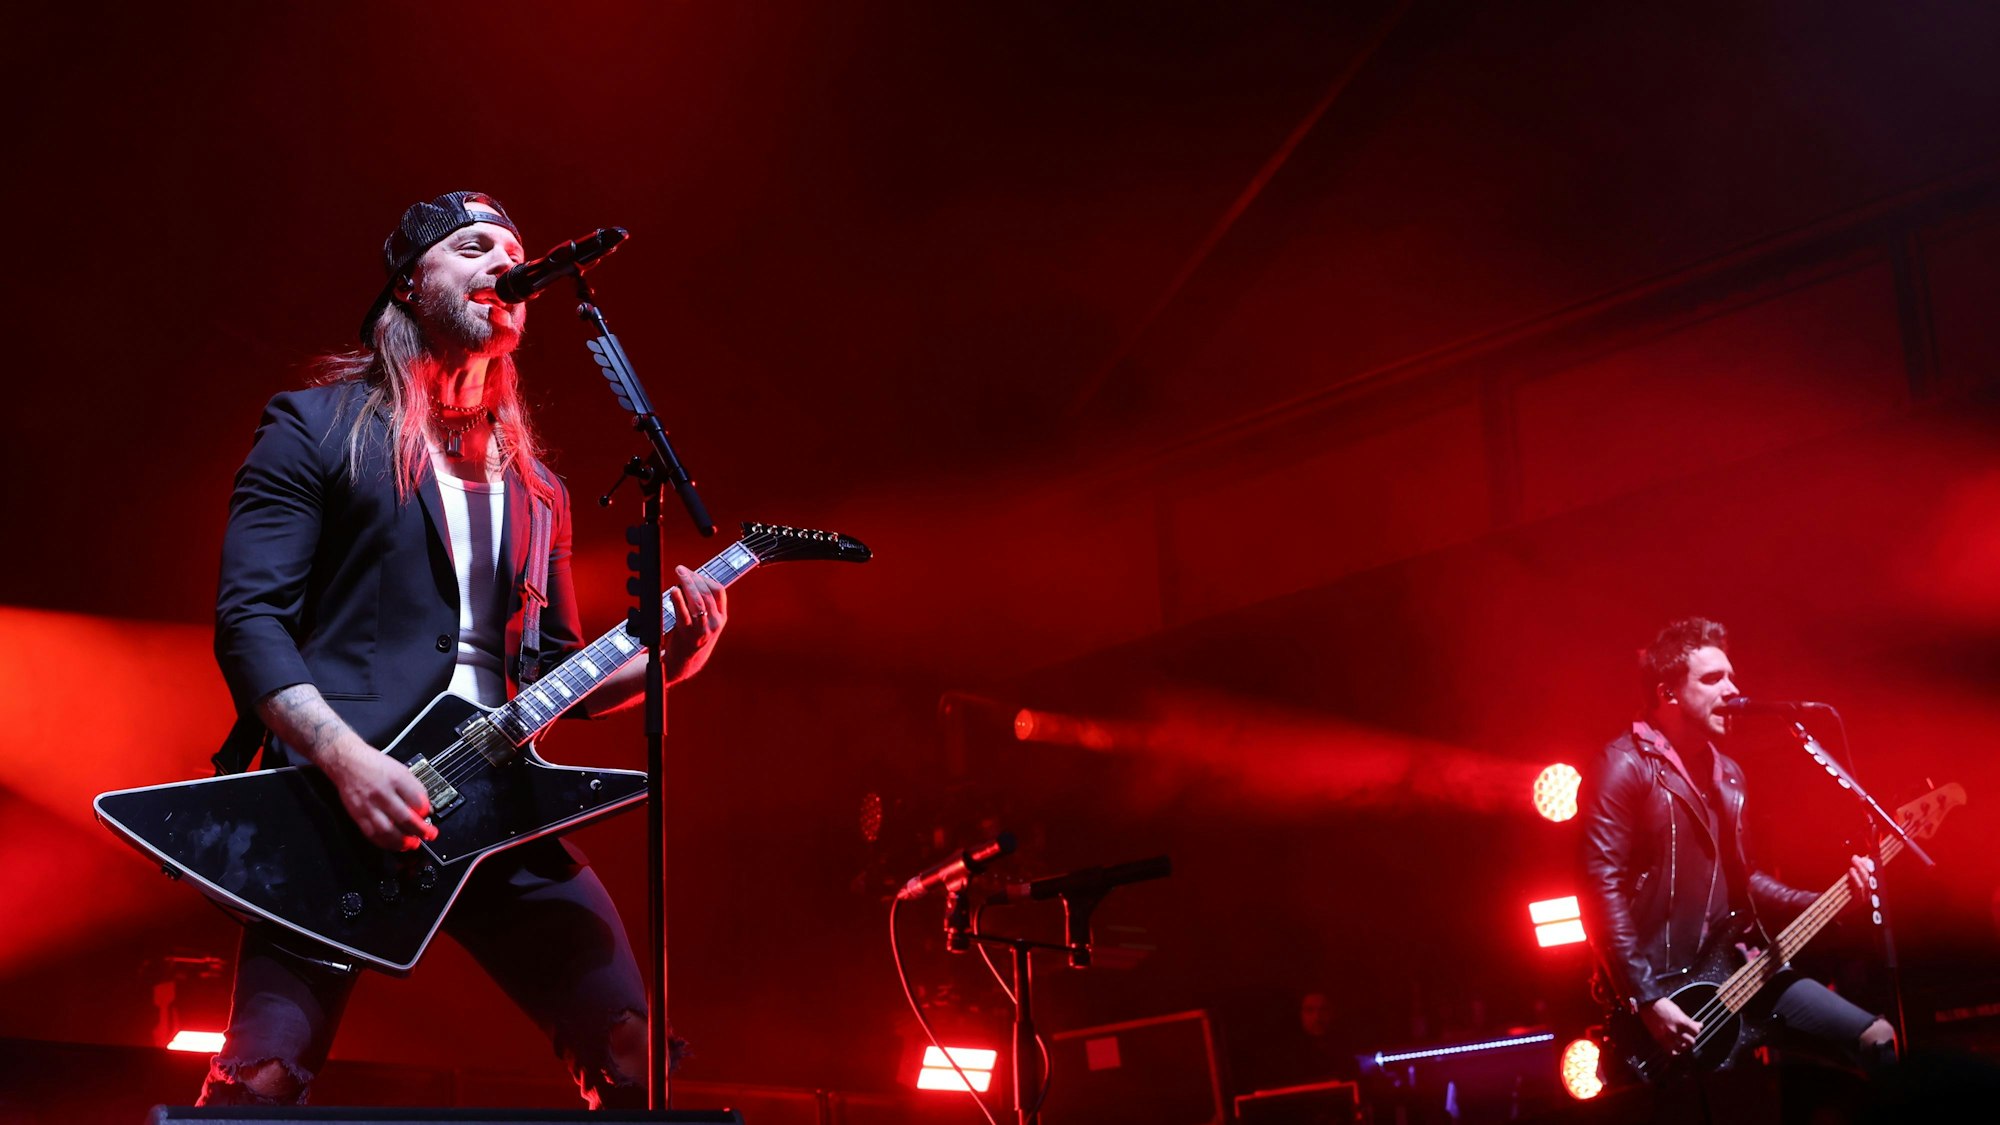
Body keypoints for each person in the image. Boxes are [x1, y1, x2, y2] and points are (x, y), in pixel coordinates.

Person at [199, 191, 728, 1108]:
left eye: (513, 253)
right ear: (409, 283)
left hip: (502, 807)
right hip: (339, 807)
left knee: (639, 1059)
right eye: (472, 247)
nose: (502, 266)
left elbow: (564, 663)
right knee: (262, 1081)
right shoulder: (316, 429)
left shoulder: (539, 491)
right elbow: (250, 623)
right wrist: (348, 763)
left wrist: (670, 663)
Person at [1576, 617, 1895, 1078]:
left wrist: (1834, 897)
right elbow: (1598, 890)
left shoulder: (1727, 775)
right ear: (1668, 694)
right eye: (1712, 678)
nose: (1732, 688)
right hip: (1665, 994)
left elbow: (1744, 883)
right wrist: (1647, 999)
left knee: (1878, 1038)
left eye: (1731, 675)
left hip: (1741, 974)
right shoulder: (1622, 766)